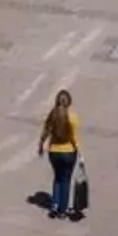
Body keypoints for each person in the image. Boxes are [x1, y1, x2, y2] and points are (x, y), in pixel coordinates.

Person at [38, 90, 81, 218]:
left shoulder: (53, 115)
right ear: (69, 102)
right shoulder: (72, 117)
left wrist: (41, 145)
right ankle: (63, 210)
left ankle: (55, 206)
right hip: (68, 152)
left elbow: (46, 131)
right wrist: (78, 150)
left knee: (57, 178)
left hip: (54, 152)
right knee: (66, 180)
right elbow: (74, 137)